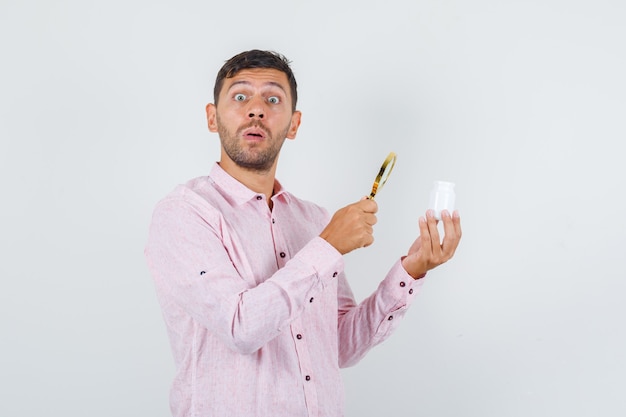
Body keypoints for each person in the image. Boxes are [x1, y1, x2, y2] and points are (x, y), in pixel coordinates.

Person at [144, 49, 462, 417]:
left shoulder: (312, 219)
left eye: (273, 99)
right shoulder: (184, 213)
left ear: (293, 125)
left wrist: (411, 270)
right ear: (212, 118)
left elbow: (341, 345)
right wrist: (328, 246)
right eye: (240, 96)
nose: (257, 109)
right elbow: (239, 326)